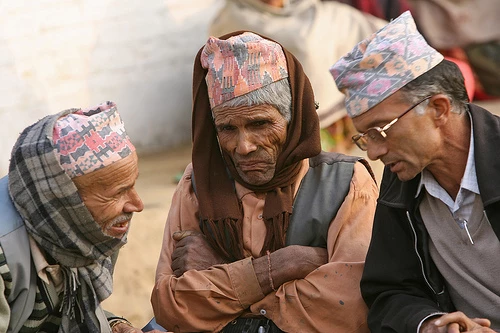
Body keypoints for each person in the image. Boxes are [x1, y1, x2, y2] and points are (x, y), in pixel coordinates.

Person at [151, 31, 379, 332]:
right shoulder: (198, 183)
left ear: (293, 117)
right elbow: (171, 305)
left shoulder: (346, 183)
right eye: (227, 128)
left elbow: (348, 308)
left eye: (260, 124)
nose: (243, 146)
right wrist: (279, 267)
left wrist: (225, 274)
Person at [330, 11, 500, 333]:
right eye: (365, 137)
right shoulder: (402, 180)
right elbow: (389, 291)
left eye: (382, 130)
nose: (376, 152)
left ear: (438, 109)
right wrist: (431, 325)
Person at [0, 101, 163, 333]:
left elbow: (71, 309)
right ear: (63, 200)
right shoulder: (4, 254)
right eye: (118, 193)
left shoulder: (84, 232)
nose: (137, 205)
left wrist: (114, 325)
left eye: (132, 185)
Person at [209, 0, 386, 153]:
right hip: (271, 124)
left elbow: (370, 31)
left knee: (330, 175)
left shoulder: (313, 11)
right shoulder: (231, 18)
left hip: (326, 117)